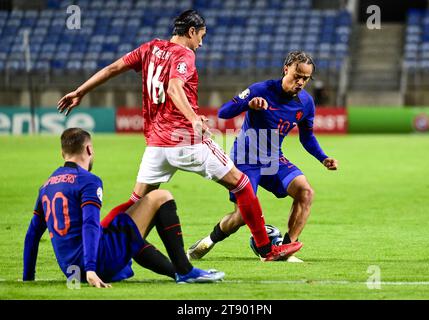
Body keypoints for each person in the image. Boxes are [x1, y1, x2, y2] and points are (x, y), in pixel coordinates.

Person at [57, 10, 301, 261]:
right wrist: (194, 118)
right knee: (243, 185)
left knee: (135, 201)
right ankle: (266, 248)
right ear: (191, 31)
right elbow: (174, 87)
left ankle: (96, 240)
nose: (201, 43)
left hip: (155, 145)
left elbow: (112, 68)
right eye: (201, 36)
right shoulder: (185, 54)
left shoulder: (149, 48)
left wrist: (80, 91)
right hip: (185, 139)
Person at [23, 128, 225, 286]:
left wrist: (28, 277)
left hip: (72, 271)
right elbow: (90, 224)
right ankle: (185, 270)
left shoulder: (46, 186)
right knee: (161, 197)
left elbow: (32, 235)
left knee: (124, 225)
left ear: (62, 153)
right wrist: (92, 269)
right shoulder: (88, 181)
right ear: (89, 150)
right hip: (95, 264)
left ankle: (176, 272)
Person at [187, 51, 339, 262]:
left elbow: (307, 137)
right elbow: (224, 112)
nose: (301, 82)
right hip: (246, 160)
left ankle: (285, 249)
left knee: (305, 192)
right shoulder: (261, 90)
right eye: (297, 75)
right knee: (241, 216)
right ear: (286, 69)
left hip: (274, 159)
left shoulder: (306, 103)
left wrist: (323, 158)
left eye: (305, 78)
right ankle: (208, 241)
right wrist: (247, 105)